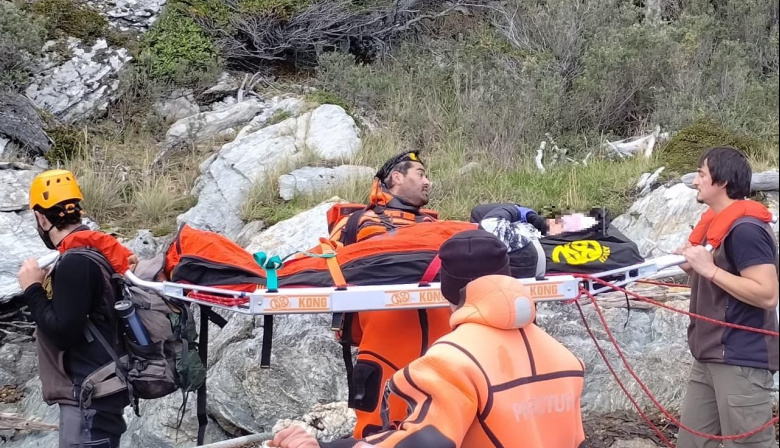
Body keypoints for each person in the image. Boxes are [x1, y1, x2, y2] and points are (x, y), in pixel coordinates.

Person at [270, 229, 587, 448]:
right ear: (508, 276)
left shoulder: (451, 362)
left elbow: (423, 443)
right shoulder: (563, 357)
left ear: (447, 289)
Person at [327, 150, 455, 438]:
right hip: (384, 344)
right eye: (420, 174)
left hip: (441, 344)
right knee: (377, 427)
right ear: (397, 177)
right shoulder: (357, 223)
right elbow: (328, 268)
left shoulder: (436, 228)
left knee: (443, 427)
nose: (428, 182)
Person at [17, 169, 136, 448]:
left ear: (41, 218)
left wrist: (32, 288)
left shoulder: (75, 262)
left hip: (88, 399)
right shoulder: (94, 252)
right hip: (100, 390)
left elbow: (63, 332)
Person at [673, 146, 779, 448]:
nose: (695, 181)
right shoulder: (716, 224)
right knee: (691, 444)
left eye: (701, 174)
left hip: (740, 360)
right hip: (708, 356)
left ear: (722, 181)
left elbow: (767, 294)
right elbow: (719, 282)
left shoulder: (746, 230)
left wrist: (709, 270)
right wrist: (693, 266)